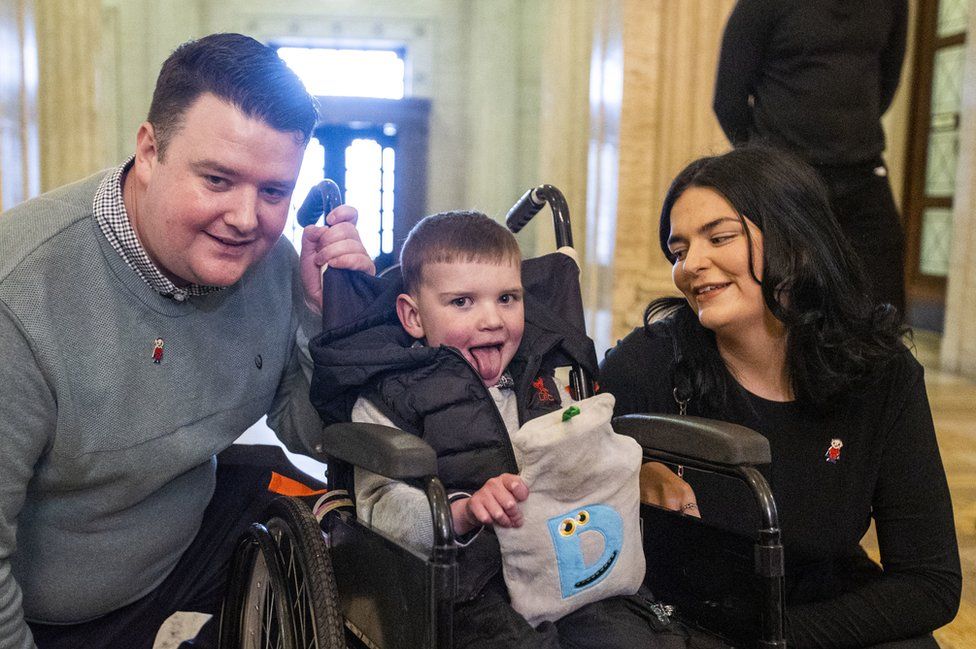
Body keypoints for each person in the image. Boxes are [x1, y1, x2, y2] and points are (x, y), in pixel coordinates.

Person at [0, 33, 374, 649]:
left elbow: (314, 435)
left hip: (187, 534)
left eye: (273, 191)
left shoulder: (273, 266)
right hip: (54, 614)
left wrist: (319, 316)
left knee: (367, 531)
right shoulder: (21, 298)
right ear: (149, 150)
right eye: (218, 179)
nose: (247, 218)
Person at [600, 147, 961, 649]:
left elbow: (930, 582)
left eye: (719, 237)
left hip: (808, 617)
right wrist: (622, 471)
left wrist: (778, 639)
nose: (690, 266)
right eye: (678, 250)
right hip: (683, 624)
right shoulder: (650, 363)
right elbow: (557, 469)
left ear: (797, 242)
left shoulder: (880, 375)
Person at [308, 212, 707, 648]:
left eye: (507, 299)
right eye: (462, 302)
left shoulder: (548, 378)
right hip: (464, 590)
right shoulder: (390, 394)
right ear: (414, 317)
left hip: (569, 569)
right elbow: (381, 508)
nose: (492, 319)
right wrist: (461, 513)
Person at [713, 0, 909, 315]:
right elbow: (728, 99)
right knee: (790, 309)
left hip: (863, 172)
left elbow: (887, 83)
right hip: (787, 182)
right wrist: (767, 165)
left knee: (884, 310)